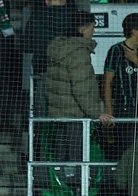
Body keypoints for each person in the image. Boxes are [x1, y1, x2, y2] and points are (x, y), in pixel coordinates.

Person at [47, 11, 114, 170]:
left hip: (59, 112)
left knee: (61, 157)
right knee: (76, 159)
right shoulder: (78, 52)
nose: (94, 31)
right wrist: (96, 113)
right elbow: (81, 87)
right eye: (92, 27)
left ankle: (61, 189)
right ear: (83, 29)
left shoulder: (58, 47)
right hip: (75, 115)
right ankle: (77, 189)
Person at [102, 13, 138, 158]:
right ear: (134, 30)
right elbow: (107, 82)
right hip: (125, 108)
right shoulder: (116, 50)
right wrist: (108, 109)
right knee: (128, 148)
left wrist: (135, 60)